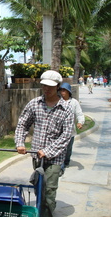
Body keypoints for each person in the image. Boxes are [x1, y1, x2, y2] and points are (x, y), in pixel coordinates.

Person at [15, 70, 74, 217]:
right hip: (37, 156)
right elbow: (23, 124)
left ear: (58, 87)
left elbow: (66, 136)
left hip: (55, 158)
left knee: (49, 190)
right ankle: (40, 211)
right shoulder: (34, 104)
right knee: (38, 187)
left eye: (51, 86)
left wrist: (47, 151)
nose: (47, 89)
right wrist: (20, 143)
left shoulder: (66, 109)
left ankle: (46, 215)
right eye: (44, 86)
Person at [59, 82, 84, 174]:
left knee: (68, 149)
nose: (62, 92)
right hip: (58, 131)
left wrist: (80, 122)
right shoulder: (57, 101)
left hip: (70, 131)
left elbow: (79, 114)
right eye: (61, 90)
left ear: (68, 92)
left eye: (64, 90)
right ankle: (60, 167)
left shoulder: (74, 102)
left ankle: (66, 161)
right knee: (61, 149)